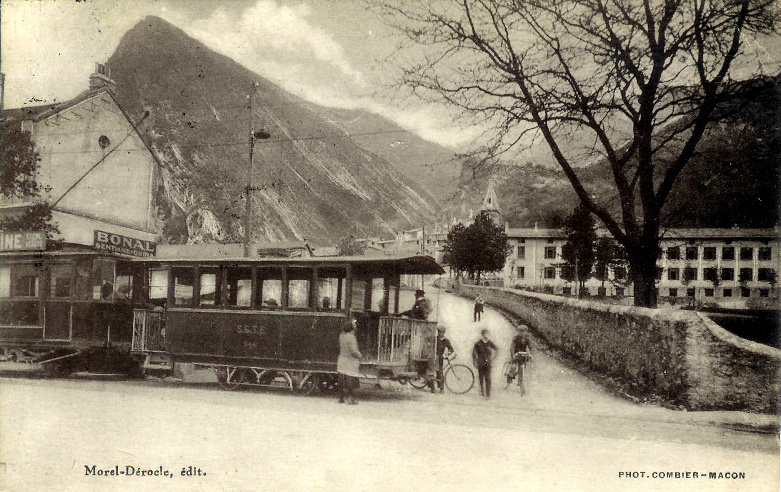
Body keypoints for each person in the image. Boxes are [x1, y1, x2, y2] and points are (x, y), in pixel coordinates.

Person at [337, 318, 362, 405]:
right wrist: (359, 355)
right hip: (350, 362)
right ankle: (350, 399)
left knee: (342, 382)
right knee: (351, 382)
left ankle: (341, 398)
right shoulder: (351, 337)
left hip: (341, 361)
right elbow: (353, 351)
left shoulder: (341, 336)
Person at [472, 328, 497, 399]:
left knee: (488, 378)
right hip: (480, 363)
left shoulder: (489, 342)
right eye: (484, 334)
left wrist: (493, 358)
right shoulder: (478, 343)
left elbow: (496, 349)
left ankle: (488, 394)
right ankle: (482, 390)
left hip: (488, 363)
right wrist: (475, 361)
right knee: (481, 377)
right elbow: (474, 353)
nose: (486, 335)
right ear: (482, 335)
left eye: (487, 334)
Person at [508, 325, 533, 394]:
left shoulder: (527, 339)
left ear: (526, 332)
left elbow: (530, 347)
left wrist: (530, 354)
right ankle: (509, 375)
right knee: (514, 367)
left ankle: (520, 383)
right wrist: (513, 355)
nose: (521, 333)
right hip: (516, 353)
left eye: (523, 331)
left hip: (523, 354)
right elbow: (512, 347)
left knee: (521, 369)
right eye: (520, 331)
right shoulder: (516, 338)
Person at [431, 325, 455, 394]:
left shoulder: (446, 341)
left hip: (440, 358)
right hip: (433, 357)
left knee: (440, 373)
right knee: (431, 373)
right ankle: (432, 388)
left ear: (444, 332)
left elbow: (451, 349)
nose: (440, 333)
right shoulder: (435, 339)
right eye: (439, 332)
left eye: (441, 332)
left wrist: (446, 355)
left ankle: (441, 388)